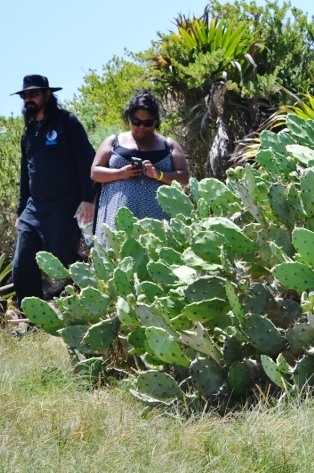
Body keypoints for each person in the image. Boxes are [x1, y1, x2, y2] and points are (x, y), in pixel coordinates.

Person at [11, 75, 96, 306]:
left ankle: (90, 302)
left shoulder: (67, 123)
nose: (28, 99)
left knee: (65, 259)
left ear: (47, 95)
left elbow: (85, 160)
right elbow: (26, 174)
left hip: (65, 206)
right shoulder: (29, 132)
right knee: (21, 265)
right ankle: (31, 316)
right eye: (25, 95)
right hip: (34, 209)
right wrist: (21, 211)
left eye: (34, 94)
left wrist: (87, 199)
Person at [91, 91, 189, 243]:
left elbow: (184, 177)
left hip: (157, 224)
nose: (142, 127)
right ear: (129, 118)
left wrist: (159, 175)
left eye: (148, 123)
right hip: (117, 223)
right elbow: (95, 172)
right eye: (136, 122)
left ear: (156, 121)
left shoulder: (169, 145)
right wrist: (120, 173)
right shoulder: (114, 141)